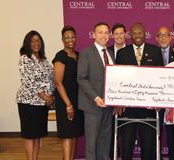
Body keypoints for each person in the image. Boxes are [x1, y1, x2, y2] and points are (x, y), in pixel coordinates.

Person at [116, 22, 163, 160]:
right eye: (134, 33)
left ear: (145, 34)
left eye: (140, 33)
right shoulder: (122, 53)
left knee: (148, 146)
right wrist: (118, 102)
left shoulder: (155, 51)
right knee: (127, 145)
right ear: (130, 35)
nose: (137, 36)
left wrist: (158, 101)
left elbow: (159, 78)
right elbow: (117, 79)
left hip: (148, 108)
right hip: (128, 108)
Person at [77, 22, 115, 160]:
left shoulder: (111, 54)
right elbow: (81, 78)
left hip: (108, 106)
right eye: (100, 32)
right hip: (92, 105)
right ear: (93, 34)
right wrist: (96, 97)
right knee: (92, 143)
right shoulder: (86, 53)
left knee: (105, 141)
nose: (104, 35)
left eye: (106, 32)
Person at [16, 30, 55, 160]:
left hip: (42, 104)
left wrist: (52, 96)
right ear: (27, 43)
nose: (36, 43)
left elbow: (51, 79)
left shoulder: (44, 60)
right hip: (28, 103)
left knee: (38, 135)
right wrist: (46, 98)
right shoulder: (24, 59)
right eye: (33, 41)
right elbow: (29, 81)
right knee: (30, 136)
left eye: (38, 40)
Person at [52, 26, 84, 160]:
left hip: (78, 101)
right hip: (66, 102)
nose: (70, 39)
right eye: (67, 37)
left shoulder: (78, 55)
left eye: (73, 36)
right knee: (67, 134)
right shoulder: (60, 56)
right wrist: (68, 104)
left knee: (74, 134)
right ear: (62, 40)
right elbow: (58, 82)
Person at [107, 23, 127, 160]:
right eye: (116, 33)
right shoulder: (106, 52)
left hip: (127, 100)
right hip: (109, 100)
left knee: (125, 135)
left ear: (126, 34)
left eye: (121, 33)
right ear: (112, 35)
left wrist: (122, 100)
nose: (119, 36)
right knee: (110, 135)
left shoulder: (132, 51)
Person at [155, 26, 174, 160]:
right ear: (156, 38)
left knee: (172, 134)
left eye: (165, 35)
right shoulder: (150, 52)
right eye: (160, 35)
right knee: (155, 133)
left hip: (173, 101)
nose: (163, 38)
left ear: (170, 37)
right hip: (155, 100)